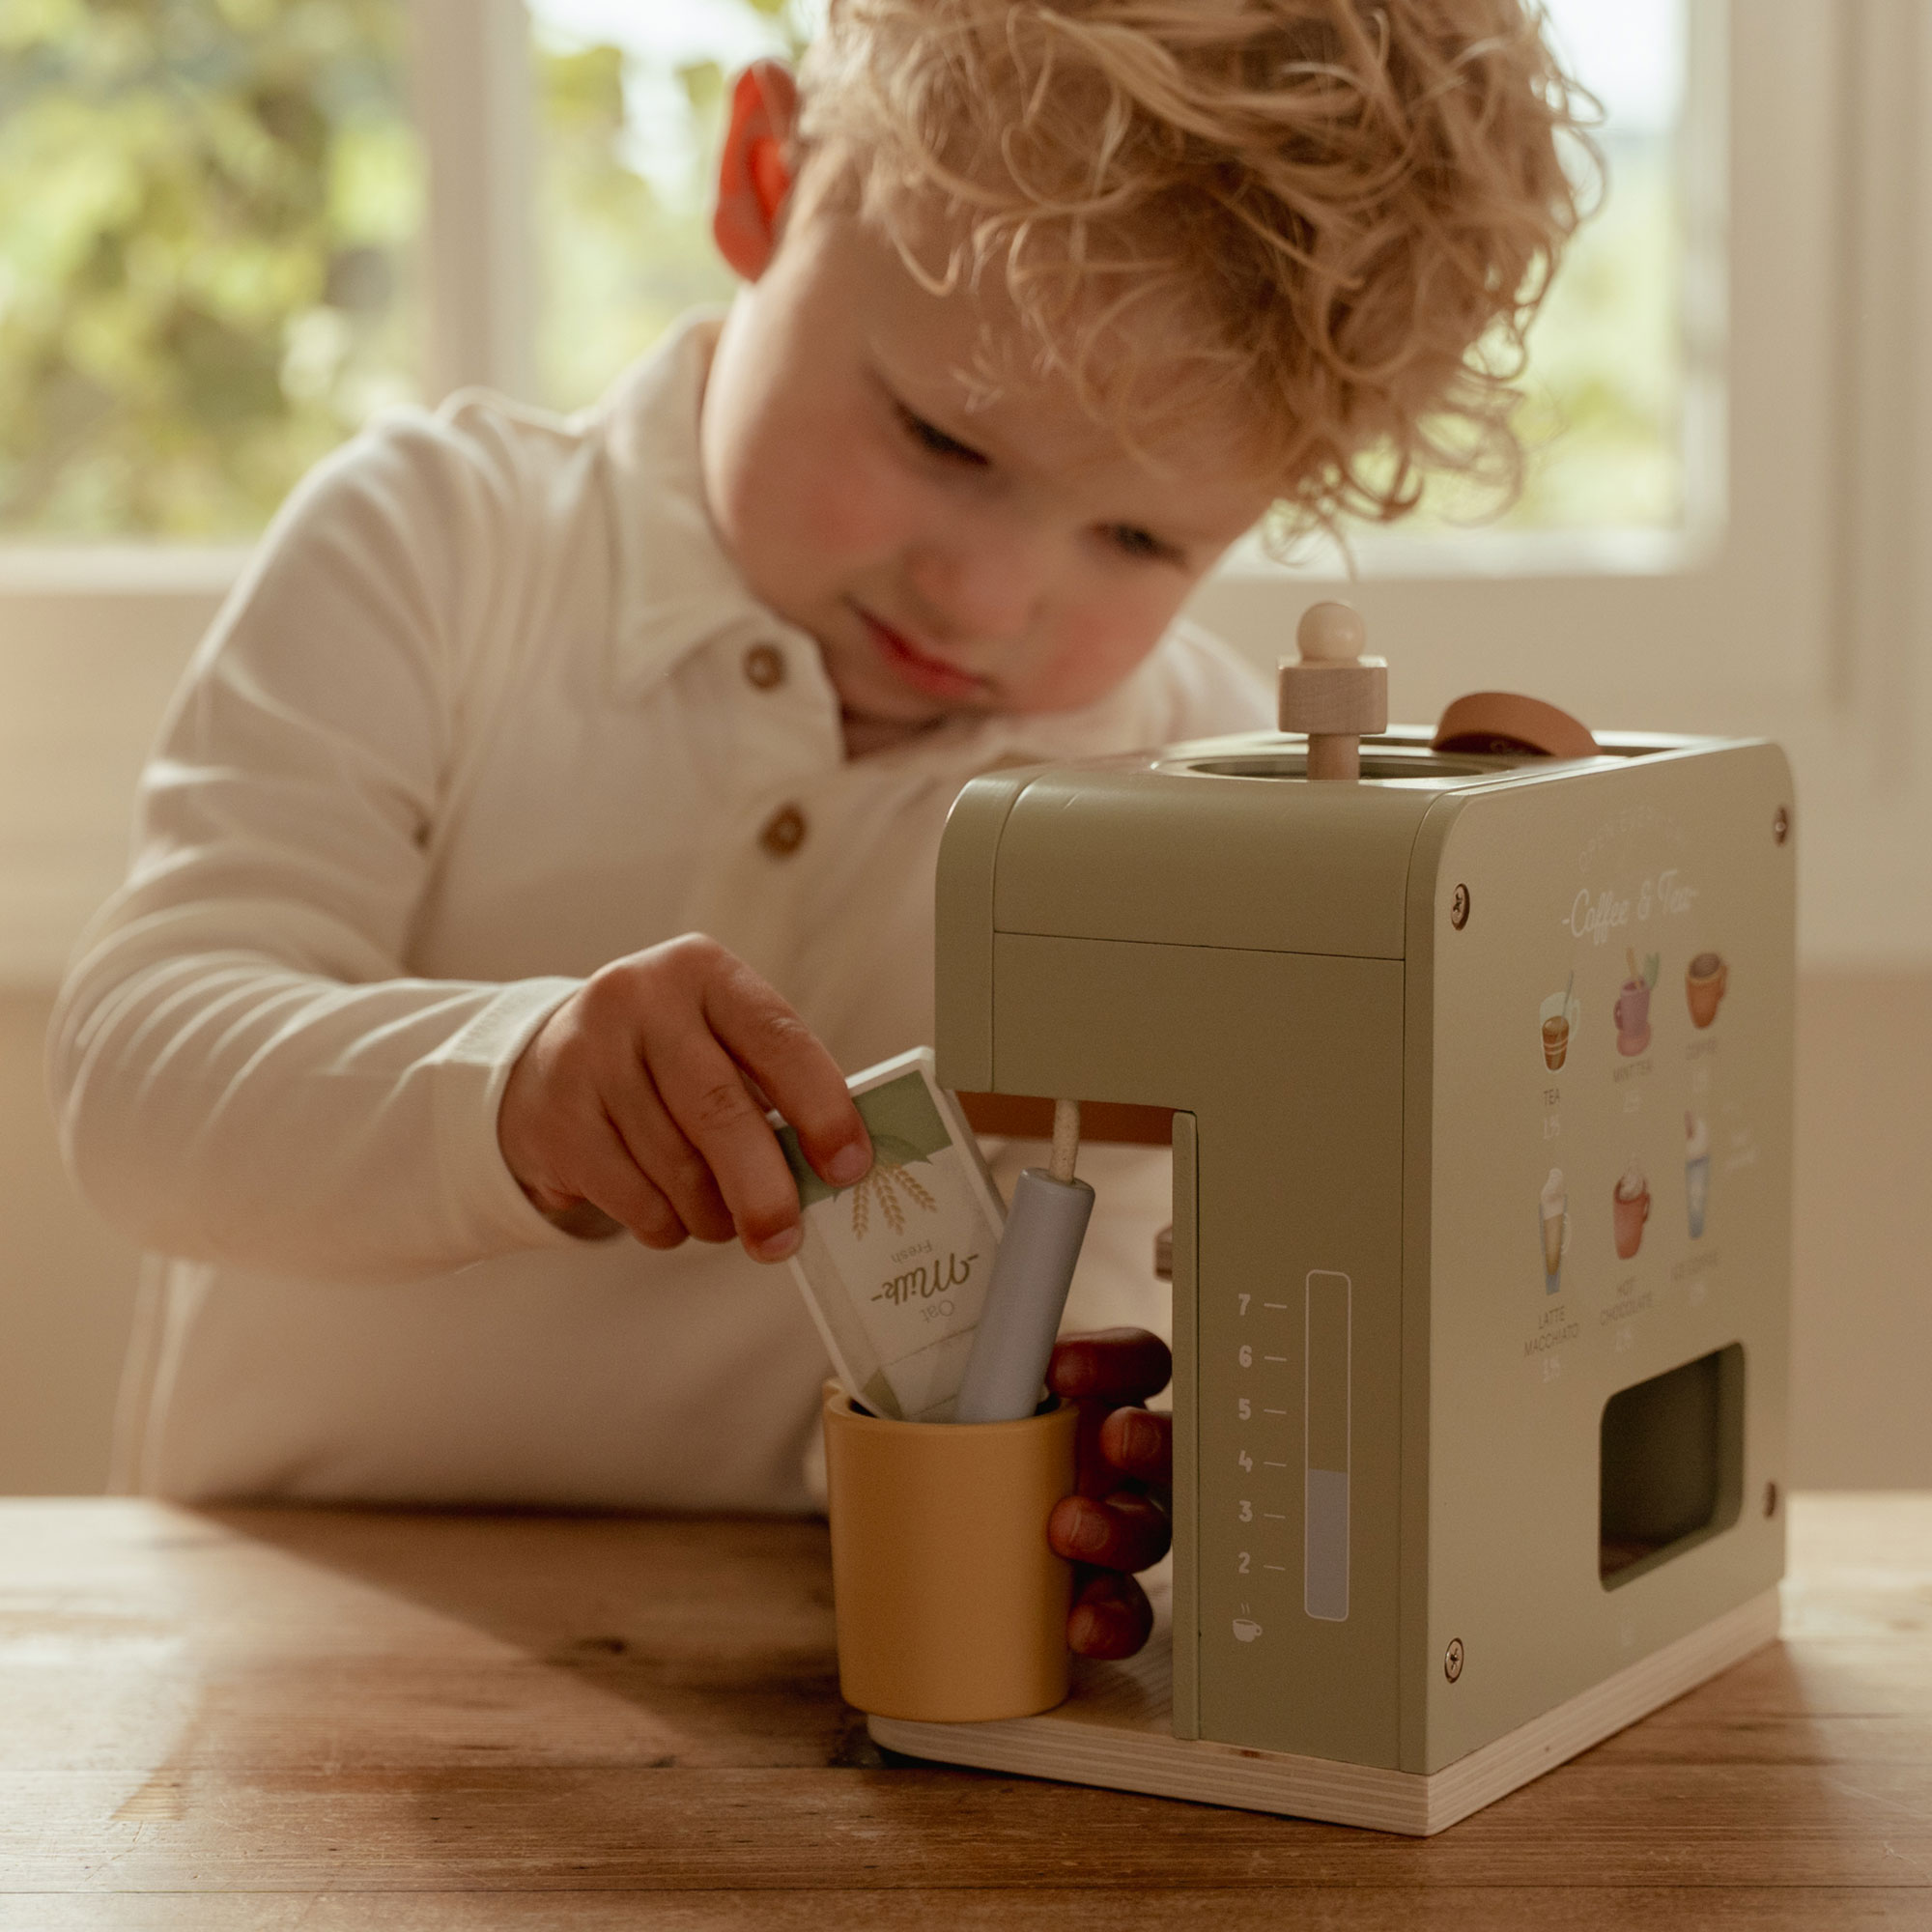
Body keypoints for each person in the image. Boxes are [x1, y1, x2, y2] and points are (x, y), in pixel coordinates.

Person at [48, 0, 1585, 1660]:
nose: (987, 595)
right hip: (273, 1653)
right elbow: (140, 1077)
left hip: (804, 1669)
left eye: (1140, 535)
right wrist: (516, 1092)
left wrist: (1080, 1473)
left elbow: (1114, 1299)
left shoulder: (1183, 790)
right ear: (764, 177)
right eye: (941, 438)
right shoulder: (440, 549)